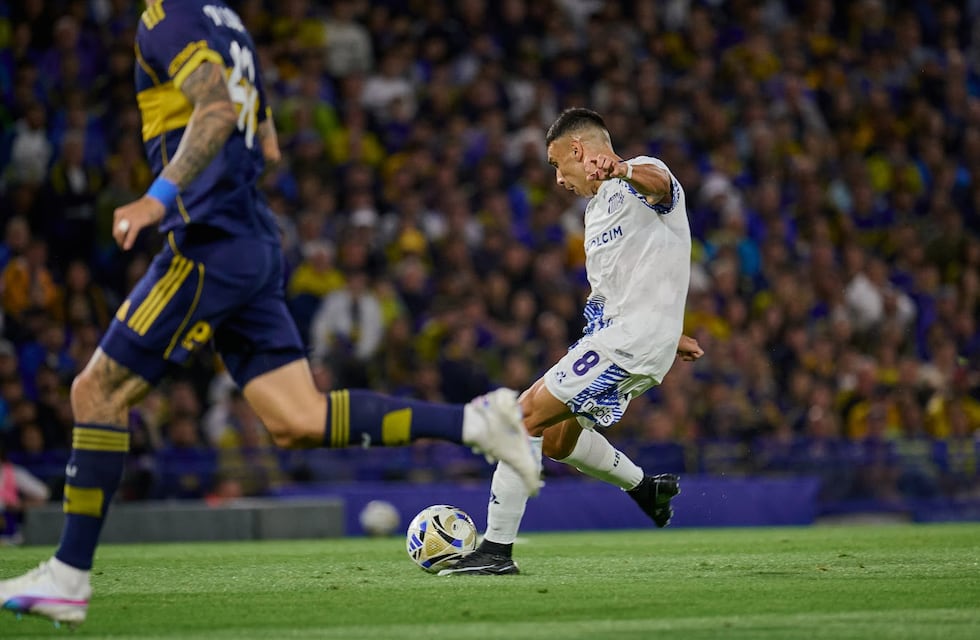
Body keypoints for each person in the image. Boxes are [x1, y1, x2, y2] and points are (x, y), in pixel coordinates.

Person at [0, 2, 539, 627]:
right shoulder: (227, 20)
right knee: (297, 419)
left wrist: (157, 198)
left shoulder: (163, 17)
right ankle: (477, 423)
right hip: (253, 237)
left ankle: (67, 575)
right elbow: (269, 139)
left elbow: (219, 109)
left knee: (96, 390)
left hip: (209, 241)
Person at [440, 108, 702, 576]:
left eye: (557, 164)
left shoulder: (639, 178)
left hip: (631, 342)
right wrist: (667, 330)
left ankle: (496, 552)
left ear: (578, 151)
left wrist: (621, 168)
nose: (558, 178)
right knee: (559, 440)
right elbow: (624, 285)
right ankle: (647, 489)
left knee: (521, 418)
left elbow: (661, 184)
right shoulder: (595, 210)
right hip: (630, 336)